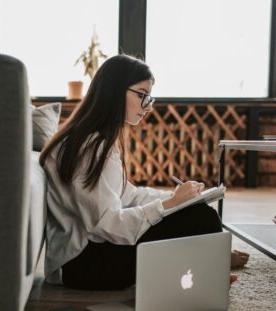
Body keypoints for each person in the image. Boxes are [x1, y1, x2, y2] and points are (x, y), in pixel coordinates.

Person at [40, 54, 249, 290]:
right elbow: (108, 224)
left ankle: (211, 262)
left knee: (193, 211)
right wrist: (168, 206)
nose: (148, 106)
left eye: (149, 97)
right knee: (201, 217)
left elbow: (127, 196)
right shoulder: (93, 147)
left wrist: (175, 197)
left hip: (85, 256)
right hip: (84, 265)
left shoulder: (92, 138)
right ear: (115, 91)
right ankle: (212, 269)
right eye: (142, 95)